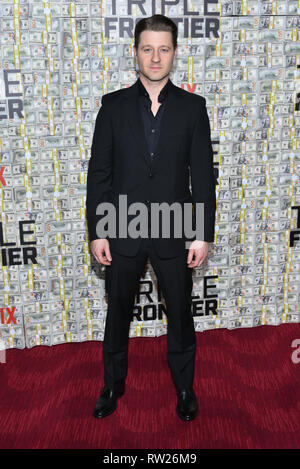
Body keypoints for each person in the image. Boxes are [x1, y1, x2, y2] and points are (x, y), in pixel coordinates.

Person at [86, 14, 216, 421]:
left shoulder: (193, 108)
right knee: (117, 312)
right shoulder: (113, 106)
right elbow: (99, 173)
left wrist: (201, 234)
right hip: (122, 225)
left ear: (175, 53)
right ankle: (112, 384)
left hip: (174, 227)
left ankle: (184, 387)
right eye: (147, 48)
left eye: (163, 49)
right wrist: (97, 231)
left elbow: (203, 177)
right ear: (136, 52)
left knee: (179, 312)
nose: (155, 57)